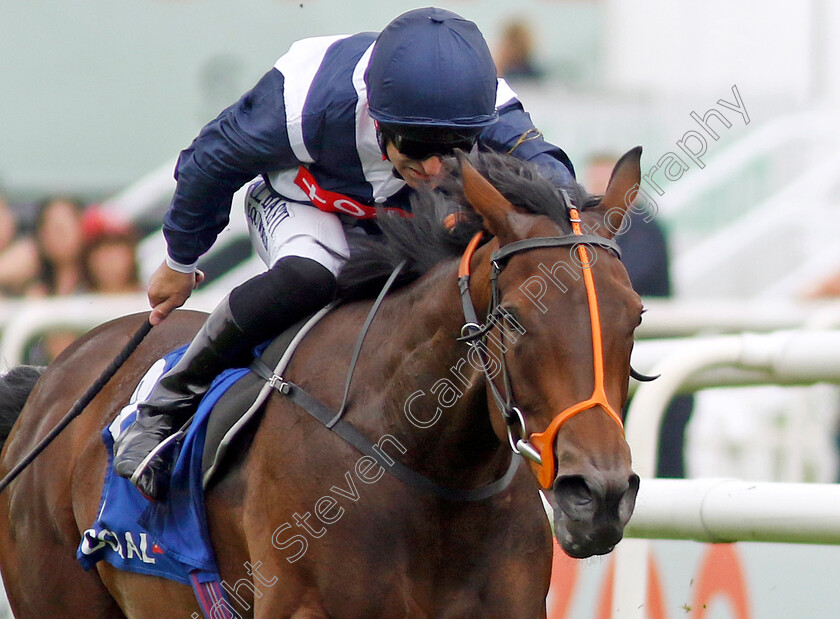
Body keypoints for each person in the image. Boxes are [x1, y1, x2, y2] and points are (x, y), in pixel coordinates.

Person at [113, 7, 577, 500]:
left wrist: (575, 224)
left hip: (398, 218)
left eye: (456, 147)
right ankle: (165, 406)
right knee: (313, 276)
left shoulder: (492, 110)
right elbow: (208, 162)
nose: (436, 165)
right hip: (301, 200)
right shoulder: (302, 103)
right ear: (376, 119)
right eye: (418, 145)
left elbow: (547, 172)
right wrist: (179, 262)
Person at [586, 154, 692, 478]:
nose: (602, 192)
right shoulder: (612, 229)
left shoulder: (644, 229)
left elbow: (625, 284)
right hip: (632, 360)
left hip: (650, 360)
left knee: (661, 464)